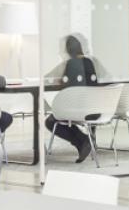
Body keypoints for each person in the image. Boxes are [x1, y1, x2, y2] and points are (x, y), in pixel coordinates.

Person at [41, 34, 100, 162]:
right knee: (59, 117)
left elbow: (64, 85)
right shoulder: (89, 62)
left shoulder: (70, 64)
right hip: (94, 108)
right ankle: (85, 141)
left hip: (78, 109)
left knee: (51, 121)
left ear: (68, 50)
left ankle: (83, 141)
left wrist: (60, 81)